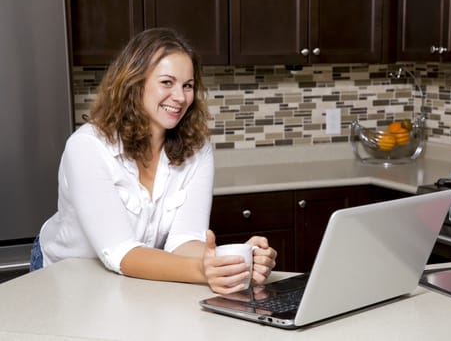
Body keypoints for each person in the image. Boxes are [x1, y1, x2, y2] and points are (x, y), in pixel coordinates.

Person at [29, 28, 277, 295]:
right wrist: (202, 271)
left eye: (188, 85)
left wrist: (234, 261)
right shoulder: (87, 147)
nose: (180, 97)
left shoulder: (197, 149)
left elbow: (183, 242)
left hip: (132, 277)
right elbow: (120, 253)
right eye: (167, 82)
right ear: (135, 83)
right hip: (67, 276)